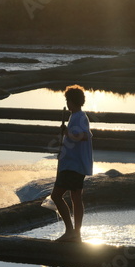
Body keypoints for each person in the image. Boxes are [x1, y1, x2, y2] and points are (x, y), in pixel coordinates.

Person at [51, 85, 93, 242]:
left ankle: (70, 231)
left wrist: (67, 133)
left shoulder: (79, 117)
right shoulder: (76, 116)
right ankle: (76, 233)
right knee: (76, 197)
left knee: (56, 196)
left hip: (73, 166)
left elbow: (84, 136)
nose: (67, 103)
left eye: (68, 100)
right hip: (75, 164)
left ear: (71, 101)